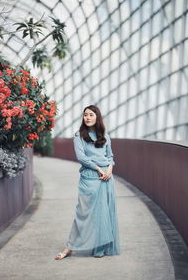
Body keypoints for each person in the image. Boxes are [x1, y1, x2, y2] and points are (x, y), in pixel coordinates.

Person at [55, 105, 120, 259]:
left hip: (106, 178)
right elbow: (82, 157)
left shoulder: (105, 135)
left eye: (91, 114)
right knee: (82, 213)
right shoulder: (79, 136)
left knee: (103, 214)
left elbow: (110, 156)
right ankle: (69, 247)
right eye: (85, 115)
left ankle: (99, 248)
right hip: (90, 177)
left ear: (97, 117)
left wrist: (110, 168)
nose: (88, 117)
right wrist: (98, 168)